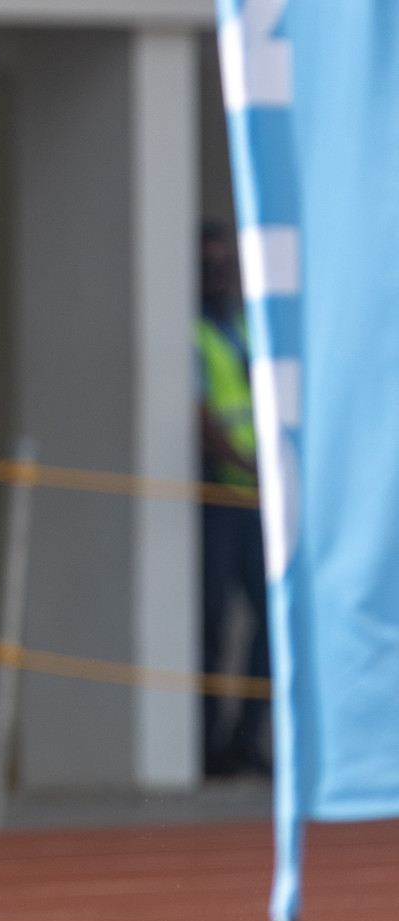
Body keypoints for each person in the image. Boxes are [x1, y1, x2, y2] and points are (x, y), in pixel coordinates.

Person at [197, 224, 271, 776]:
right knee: (212, 622)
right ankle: (208, 746)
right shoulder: (194, 333)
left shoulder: (247, 326)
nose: (220, 273)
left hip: (257, 500)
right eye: (209, 264)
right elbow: (201, 414)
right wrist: (251, 467)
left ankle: (246, 738)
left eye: (227, 263)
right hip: (220, 494)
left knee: (271, 619)